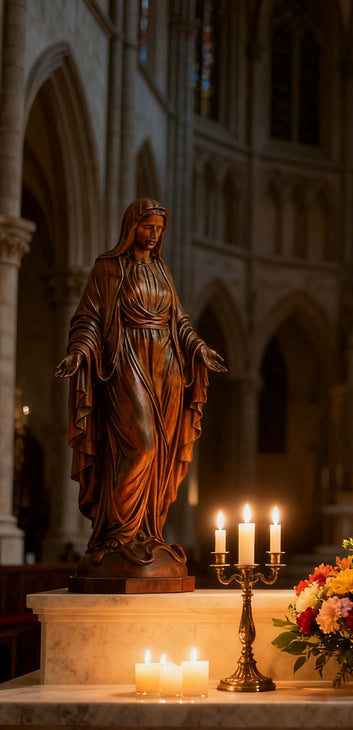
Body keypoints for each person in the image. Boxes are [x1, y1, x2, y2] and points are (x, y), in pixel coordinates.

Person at [55, 198, 226, 577]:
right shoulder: (108, 269)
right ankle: (115, 534)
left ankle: (147, 532)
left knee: (161, 456)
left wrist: (199, 347)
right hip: (125, 359)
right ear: (131, 226)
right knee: (142, 445)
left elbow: (179, 321)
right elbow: (89, 319)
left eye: (159, 229)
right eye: (147, 226)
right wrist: (79, 353)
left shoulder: (163, 270)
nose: (153, 234)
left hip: (166, 366)